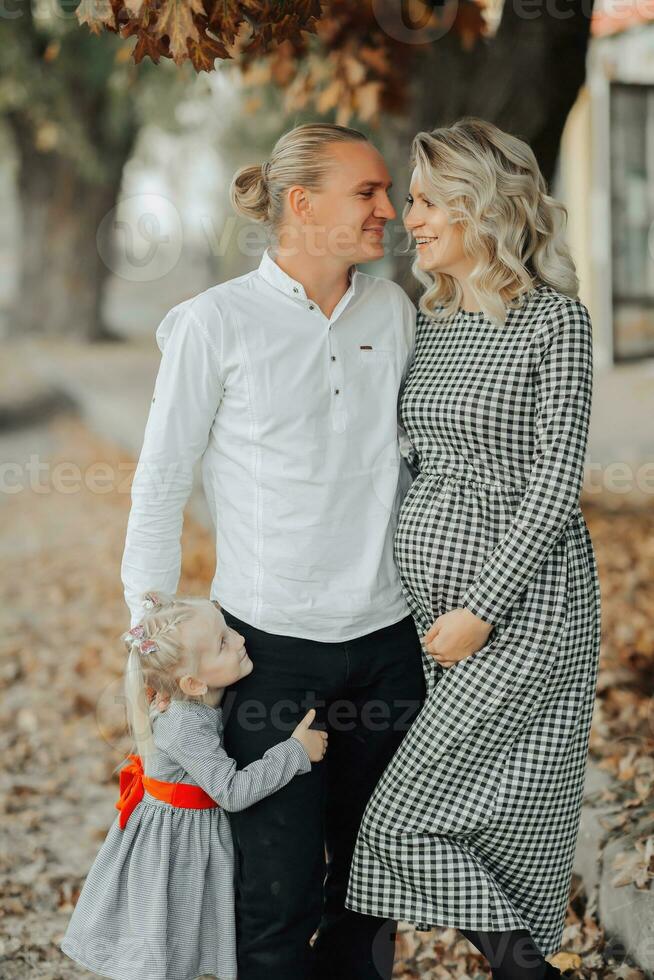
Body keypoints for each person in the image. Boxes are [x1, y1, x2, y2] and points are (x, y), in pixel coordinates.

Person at [120, 123, 427, 980]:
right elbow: (161, 484)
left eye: (386, 192)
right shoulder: (211, 323)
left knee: (369, 896)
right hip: (267, 656)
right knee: (275, 903)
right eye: (367, 192)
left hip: (388, 649)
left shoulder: (393, 309)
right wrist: (150, 640)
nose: (389, 209)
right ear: (302, 204)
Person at [345, 117, 602, 980]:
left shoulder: (554, 322)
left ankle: (526, 969)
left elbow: (555, 484)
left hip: (522, 610)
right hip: (434, 617)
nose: (406, 217)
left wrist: (481, 610)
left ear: (481, 205)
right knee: (481, 813)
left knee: (400, 820)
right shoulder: (435, 316)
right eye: (409, 200)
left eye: (424, 200)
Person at [60, 590, 326, 980]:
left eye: (229, 632)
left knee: (184, 941)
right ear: (193, 682)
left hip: (192, 831)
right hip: (177, 844)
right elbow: (232, 792)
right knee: (169, 941)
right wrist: (295, 752)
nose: (240, 640)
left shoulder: (189, 698)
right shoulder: (185, 724)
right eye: (223, 643)